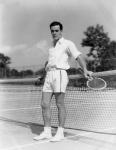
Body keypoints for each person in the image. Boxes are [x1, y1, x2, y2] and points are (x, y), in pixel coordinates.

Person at [33, 21, 92, 142]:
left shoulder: (67, 43)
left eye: (56, 30)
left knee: (59, 104)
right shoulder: (51, 46)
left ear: (61, 31)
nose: (54, 33)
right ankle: (47, 132)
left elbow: (78, 56)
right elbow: (49, 63)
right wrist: (43, 75)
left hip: (60, 74)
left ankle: (60, 133)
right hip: (49, 75)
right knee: (44, 104)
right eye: (52, 31)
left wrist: (85, 69)